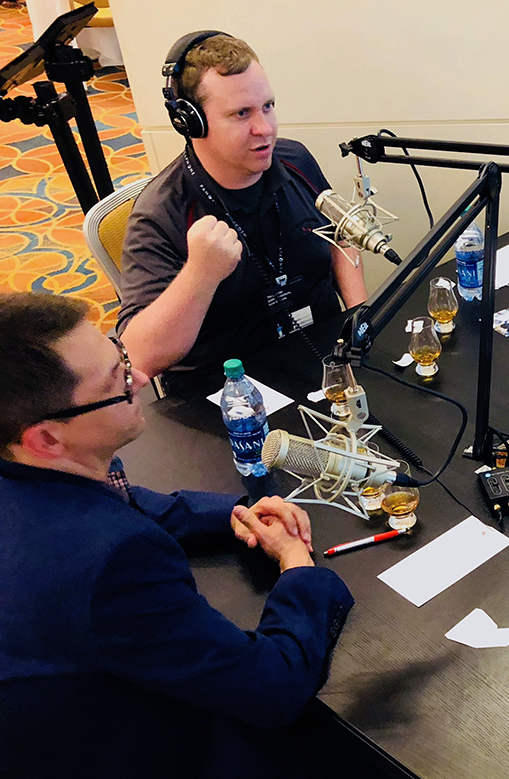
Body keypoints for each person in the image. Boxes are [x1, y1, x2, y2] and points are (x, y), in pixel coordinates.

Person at [0, 292, 354, 777]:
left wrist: (233, 512)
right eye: (117, 382)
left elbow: (122, 495)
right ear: (46, 437)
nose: (141, 379)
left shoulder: (29, 460)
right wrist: (300, 569)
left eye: (121, 356)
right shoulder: (113, 560)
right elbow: (271, 688)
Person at [117, 32, 367, 397]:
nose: (264, 128)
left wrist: (360, 320)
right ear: (191, 122)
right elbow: (137, 357)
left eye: (267, 106)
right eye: (241, 114)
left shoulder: (294, 159)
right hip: (232, 397)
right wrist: (200, 275)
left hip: (325, 360)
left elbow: (340, 239)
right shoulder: (160, 214)